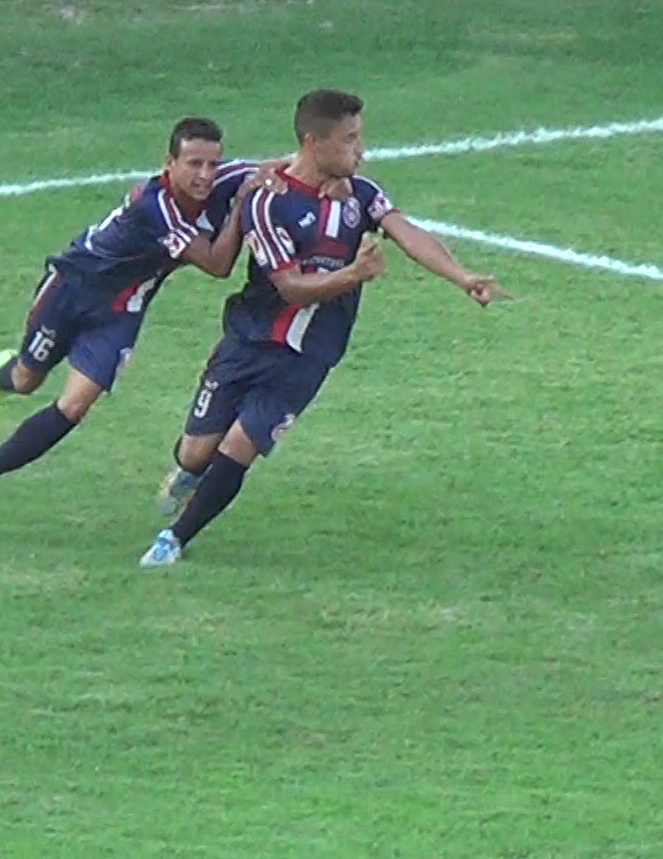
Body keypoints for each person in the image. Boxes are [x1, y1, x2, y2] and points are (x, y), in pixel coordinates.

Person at [138, 89, 509, 567]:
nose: (361, 150)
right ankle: (187, 473)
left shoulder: (362, 195)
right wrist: (352, 275)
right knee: (196, 453)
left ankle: (175, 539)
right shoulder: (268, 204)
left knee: (238, 447)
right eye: (350, 139)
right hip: (248, 341)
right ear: (314, 142)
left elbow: (406, 231)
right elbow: (290, 287)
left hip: (306, 357)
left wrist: (462, 277)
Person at [0, 118, 280, 526]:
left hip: (121, 309)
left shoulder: (228, 177)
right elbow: (216, 264)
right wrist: (242, 207)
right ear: (169, 163)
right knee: (26, 379)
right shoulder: (153, 205)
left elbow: (281, 167)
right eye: (194, 164)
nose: (205, 176)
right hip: (71, 290)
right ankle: (2, 376)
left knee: (74, 406)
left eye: (213, 164)